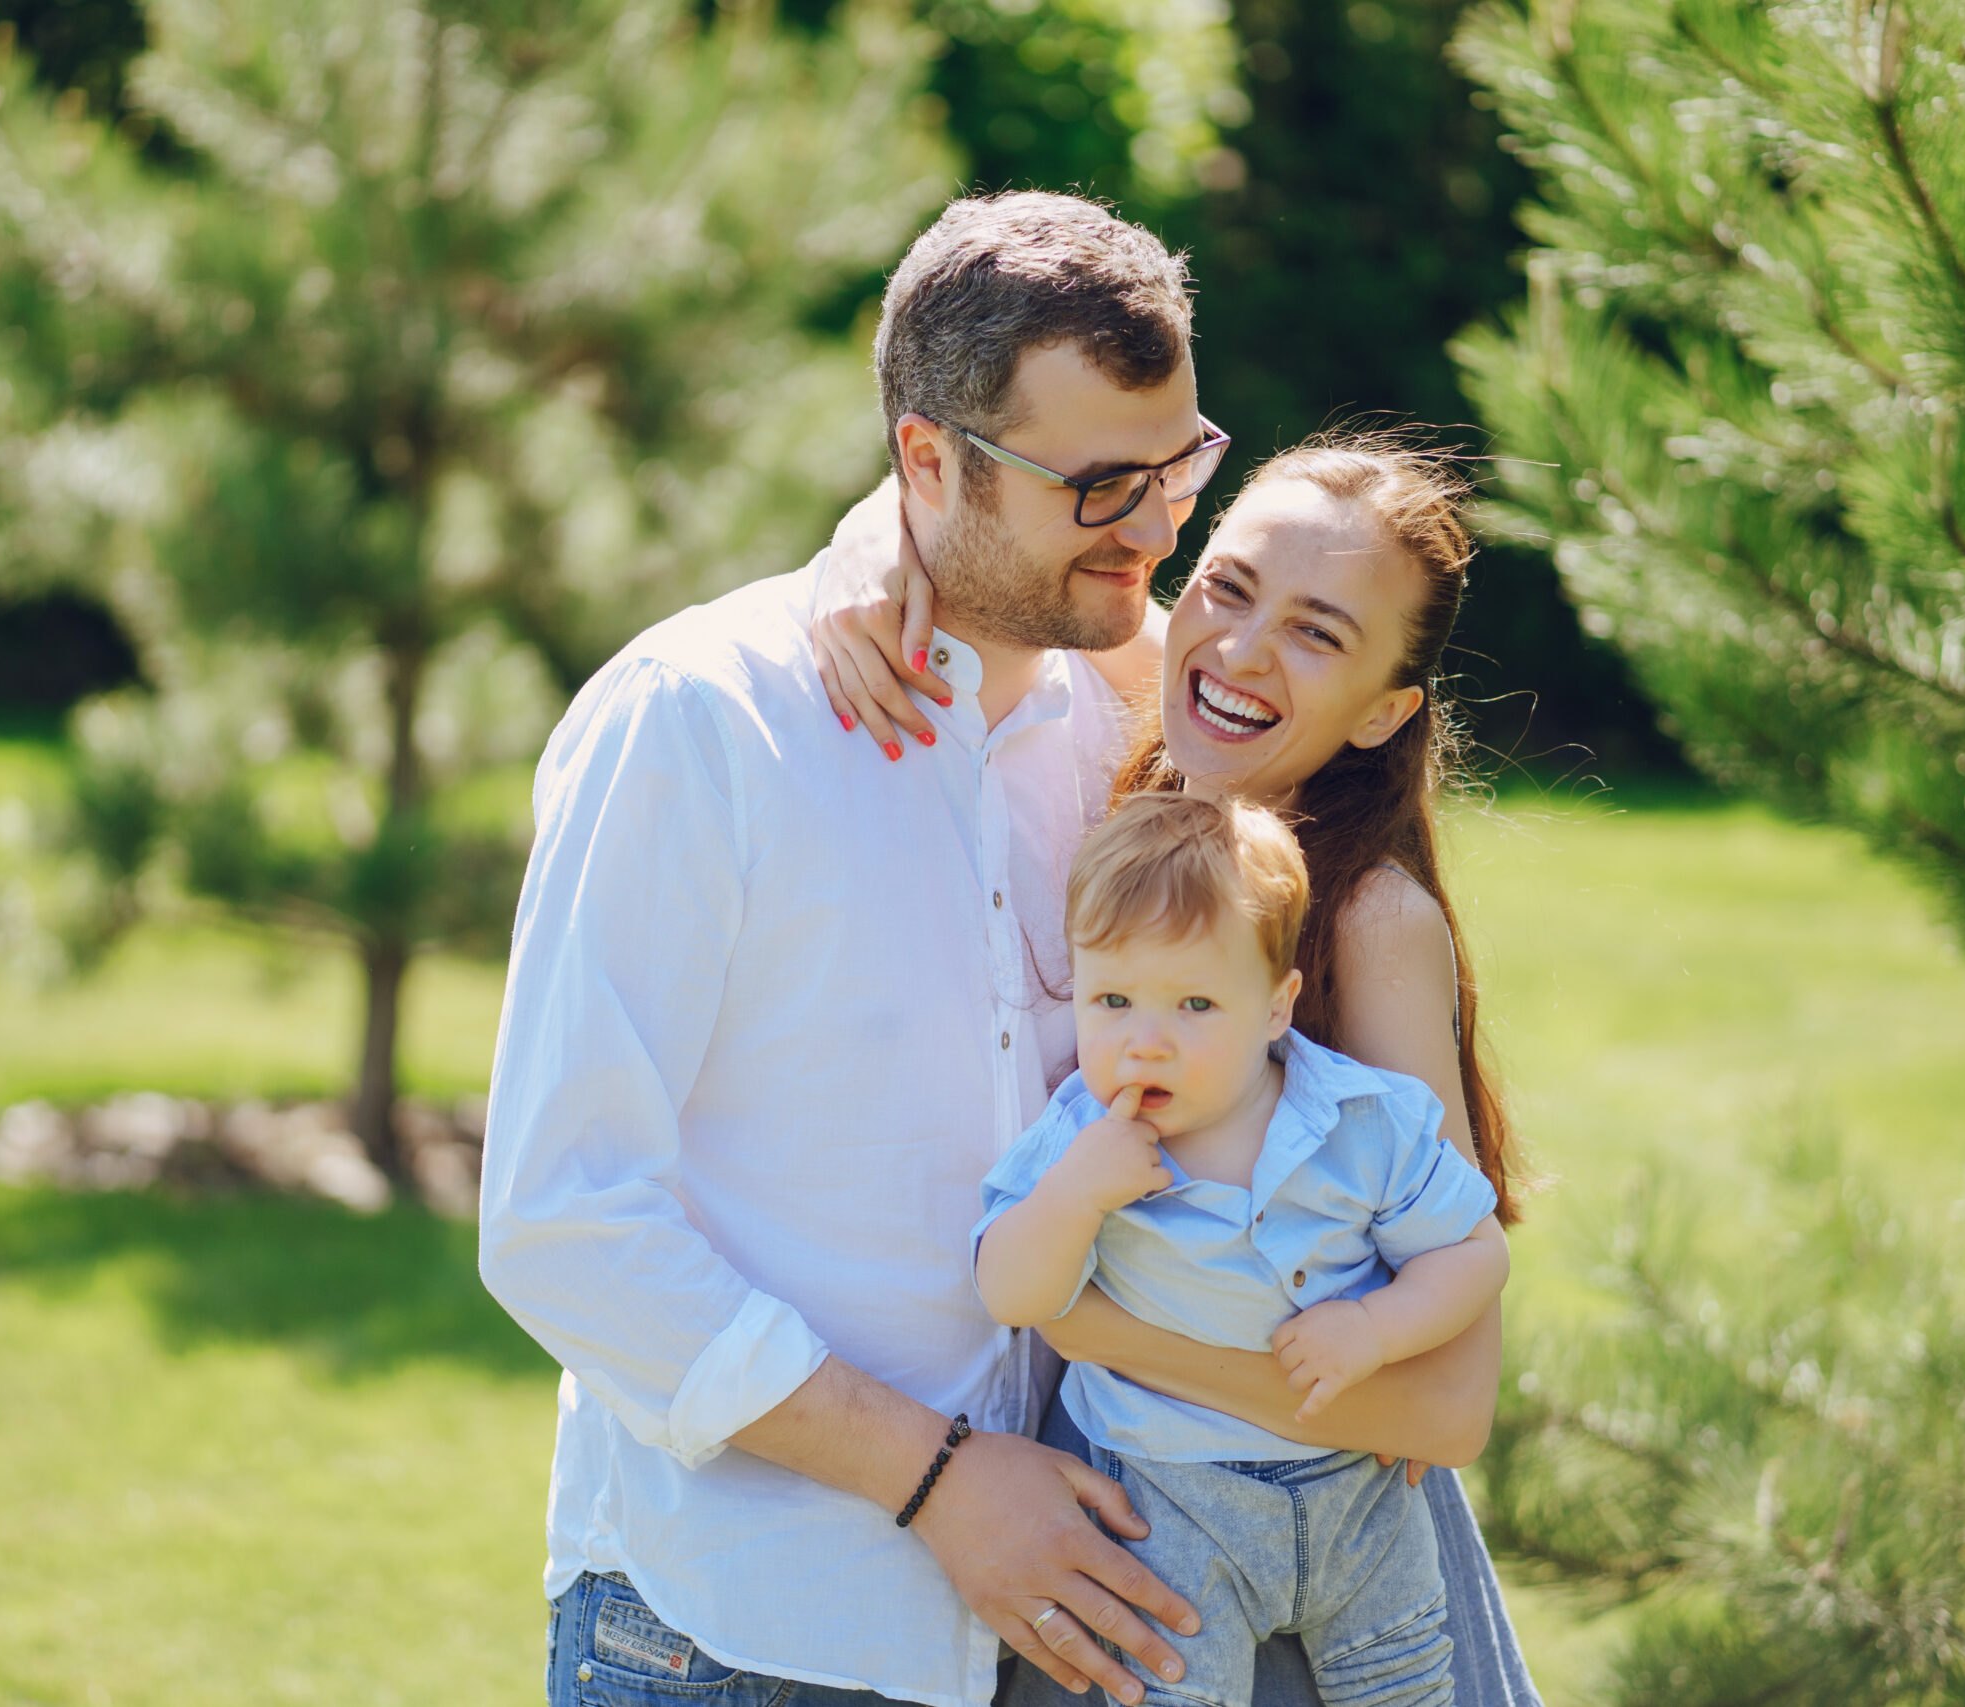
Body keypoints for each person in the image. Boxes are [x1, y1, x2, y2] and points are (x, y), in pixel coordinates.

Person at [480, 189, 1518, 1707]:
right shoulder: (702, 724)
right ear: (927, 460)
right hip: (740, 1630)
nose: (1155, 532)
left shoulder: (1127, 743)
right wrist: (937, 1476)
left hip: (1073, 1624)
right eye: (1101, 485)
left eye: (1176, 470)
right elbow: (563, 1222)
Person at [809, 431, 1537, 1707]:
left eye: (1317, 633)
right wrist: (866, 551)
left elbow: (1447, 1409)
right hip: (1135, 1532)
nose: (1243, 650)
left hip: (1309, 1581)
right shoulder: (1172, 761)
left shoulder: (1366, 921)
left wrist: (1100, 1334)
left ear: (1383, 711)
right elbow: (996, 521)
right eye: (1229, 586)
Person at [975, 794, 1507, 1707]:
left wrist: (1376, 1328)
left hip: (1357, 1494)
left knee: (1409, 1687)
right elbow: (1009, 1291)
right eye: (1113, 1000)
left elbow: (1474, 1253)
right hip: (1169, 1504)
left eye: (1195, 1003)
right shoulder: (1080, 1138)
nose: (1147, 1040)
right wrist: (1073, 1195)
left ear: (1275, 1006)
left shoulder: (1357, 1119)